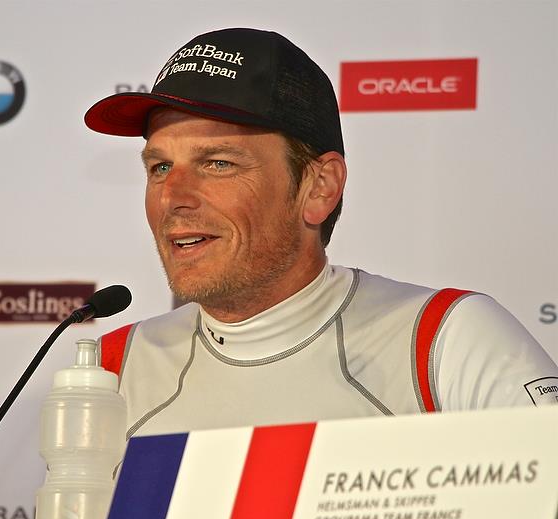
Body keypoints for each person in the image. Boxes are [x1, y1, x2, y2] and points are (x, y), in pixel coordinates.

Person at [84, 28, 558, 439]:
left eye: (218, 163)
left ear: (319, 187)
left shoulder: (446, 341)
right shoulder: (111, 369)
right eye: (160, 166)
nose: (173, 196)